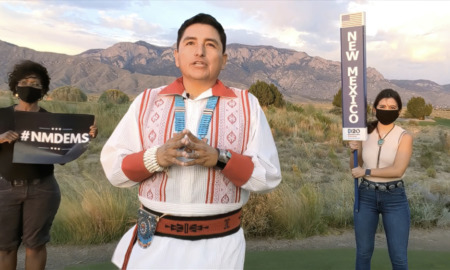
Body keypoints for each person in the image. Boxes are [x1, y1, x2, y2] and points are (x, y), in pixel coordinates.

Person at [101, 13, 282, 269]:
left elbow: (269, 176)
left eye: (210, 44)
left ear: (224, 59)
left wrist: (220, 158)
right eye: (190, 43)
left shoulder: (246, 104)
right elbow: (114, 170)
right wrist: (156, 158)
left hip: (219, 246)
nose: (200, 51)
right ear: (176, 56)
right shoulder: (146, 101)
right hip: (153, 244)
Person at [0, 60, 98, 270]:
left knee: (35, 246)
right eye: (24, 82)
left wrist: (84, 138)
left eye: (35, 83)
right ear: (15, 87)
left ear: (43, 90)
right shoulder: (2, 115)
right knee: (5, 247)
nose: (29, 87)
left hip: (42, 189)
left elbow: (62, 157)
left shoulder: (52, 121)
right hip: (5, 188)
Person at [349, 88, 413, 270]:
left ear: (399, 111)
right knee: (363, 253)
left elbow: (397, 170)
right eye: (383, 106)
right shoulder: (363, 133)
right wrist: (354, 150)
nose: (387, 109)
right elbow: (354, 168)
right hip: (366, 196)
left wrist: (366, 171)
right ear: (374, 109)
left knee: (398, 256)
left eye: (392, 107)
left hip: (394, 198)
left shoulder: (404, 136)